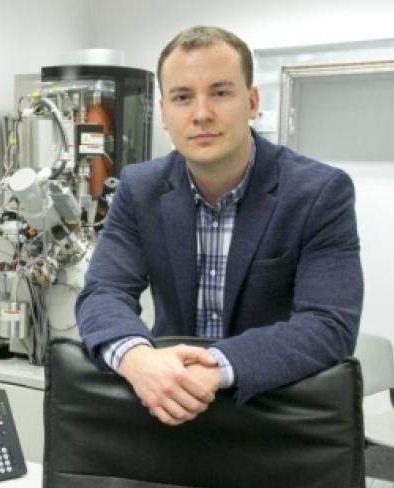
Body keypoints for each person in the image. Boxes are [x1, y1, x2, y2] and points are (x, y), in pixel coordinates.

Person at [76, 25, 363, 426]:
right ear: (164, 112)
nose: (201, 114)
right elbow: (104, 292)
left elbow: (328, 324)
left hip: (274, 415)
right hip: (170, 410)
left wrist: (216, 367)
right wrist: (137, 358)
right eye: (182, 97)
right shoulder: (140, 189)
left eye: (221, 93)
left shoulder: (318, 192)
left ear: (252, 101)